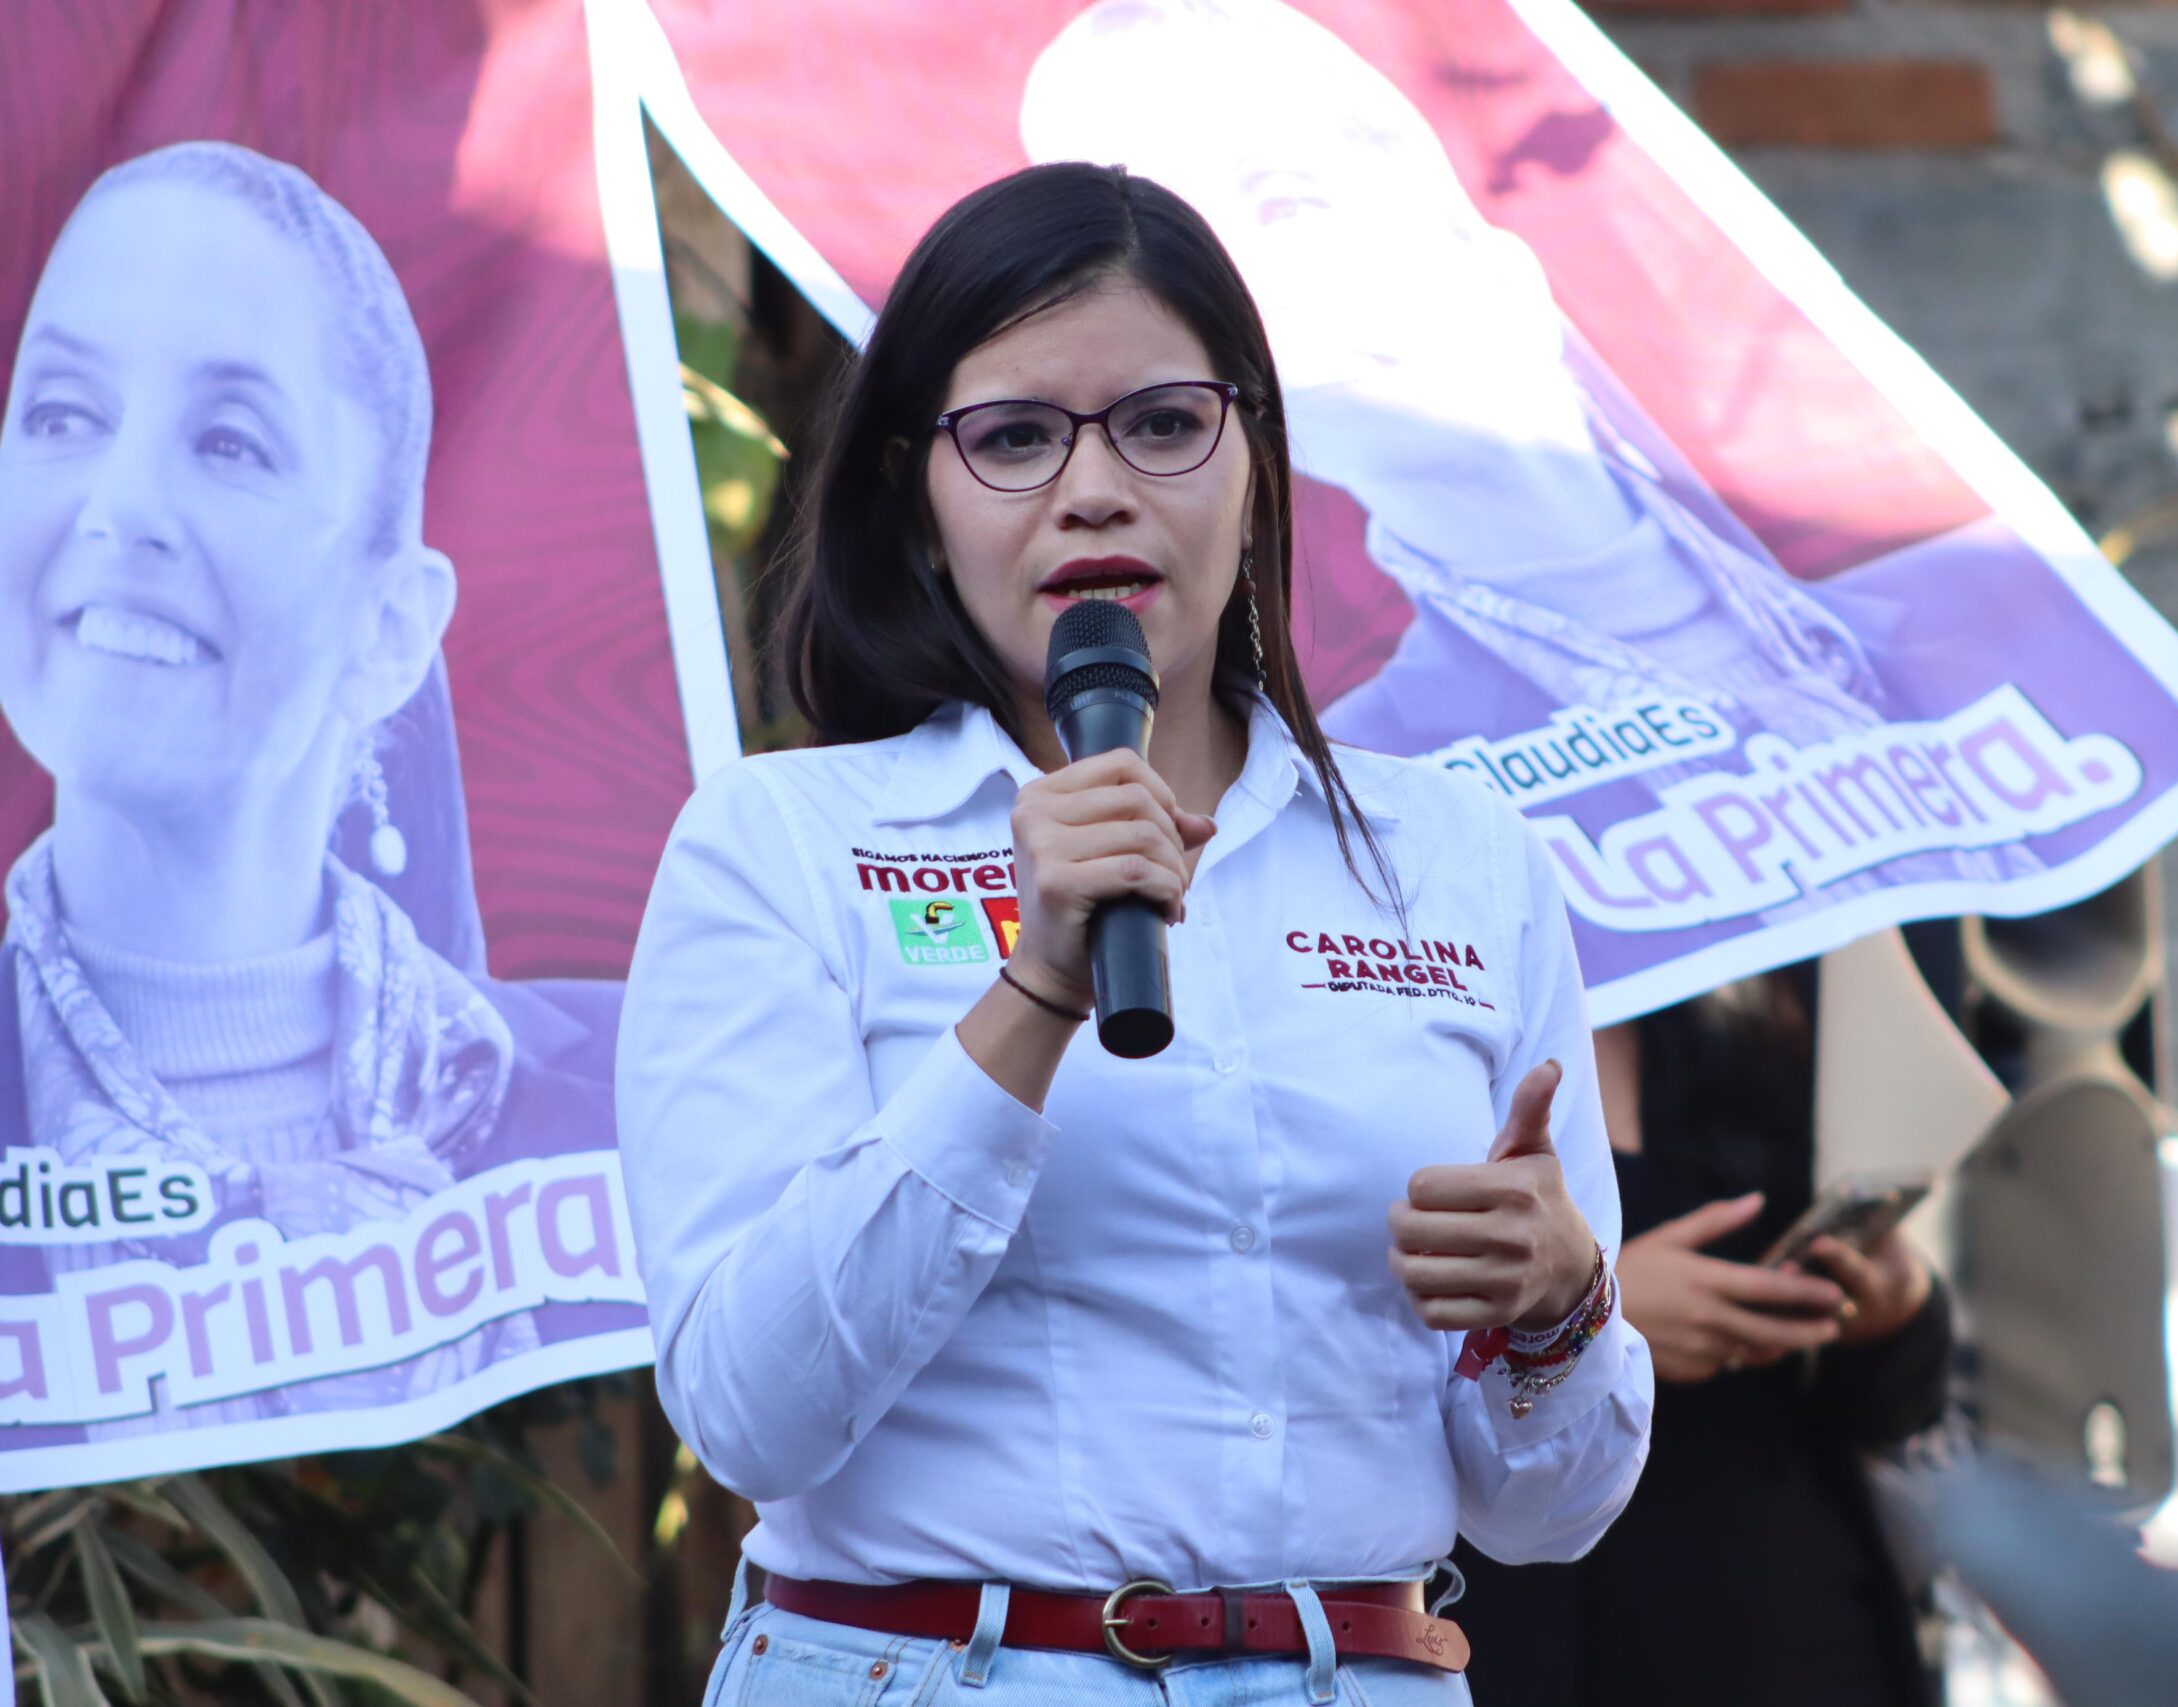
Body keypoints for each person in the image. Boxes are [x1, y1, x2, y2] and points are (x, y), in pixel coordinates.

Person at [617, 161, 1651, 1706]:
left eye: (1164, 424)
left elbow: (1550, 1513)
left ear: (1254, 464)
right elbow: (749, 1416)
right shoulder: (782, 846)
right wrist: (1034, 988)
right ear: (919, 485)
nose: (1095, 489)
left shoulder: (1458, 856)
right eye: (1017, 435)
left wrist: (1561, 1308)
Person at [1021, 0, 2035, 903]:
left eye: (1283, 201)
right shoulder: (1367, 785)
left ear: (1467, 229)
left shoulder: (1949, 575)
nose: (1252, 287)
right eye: (1190, 260)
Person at [0, 141, 614, 1432]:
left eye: (228, 440)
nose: (119, 506)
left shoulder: (610, 1102)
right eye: (60, 414)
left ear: (393, 625)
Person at [1453, 965, 1954, 1706]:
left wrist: (1894, 1308)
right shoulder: (1423, 1042)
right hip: (1528, 1621)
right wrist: (1592, 1309)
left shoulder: (1747, 1015)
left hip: (1783, 1607)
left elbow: (1891, 1405)